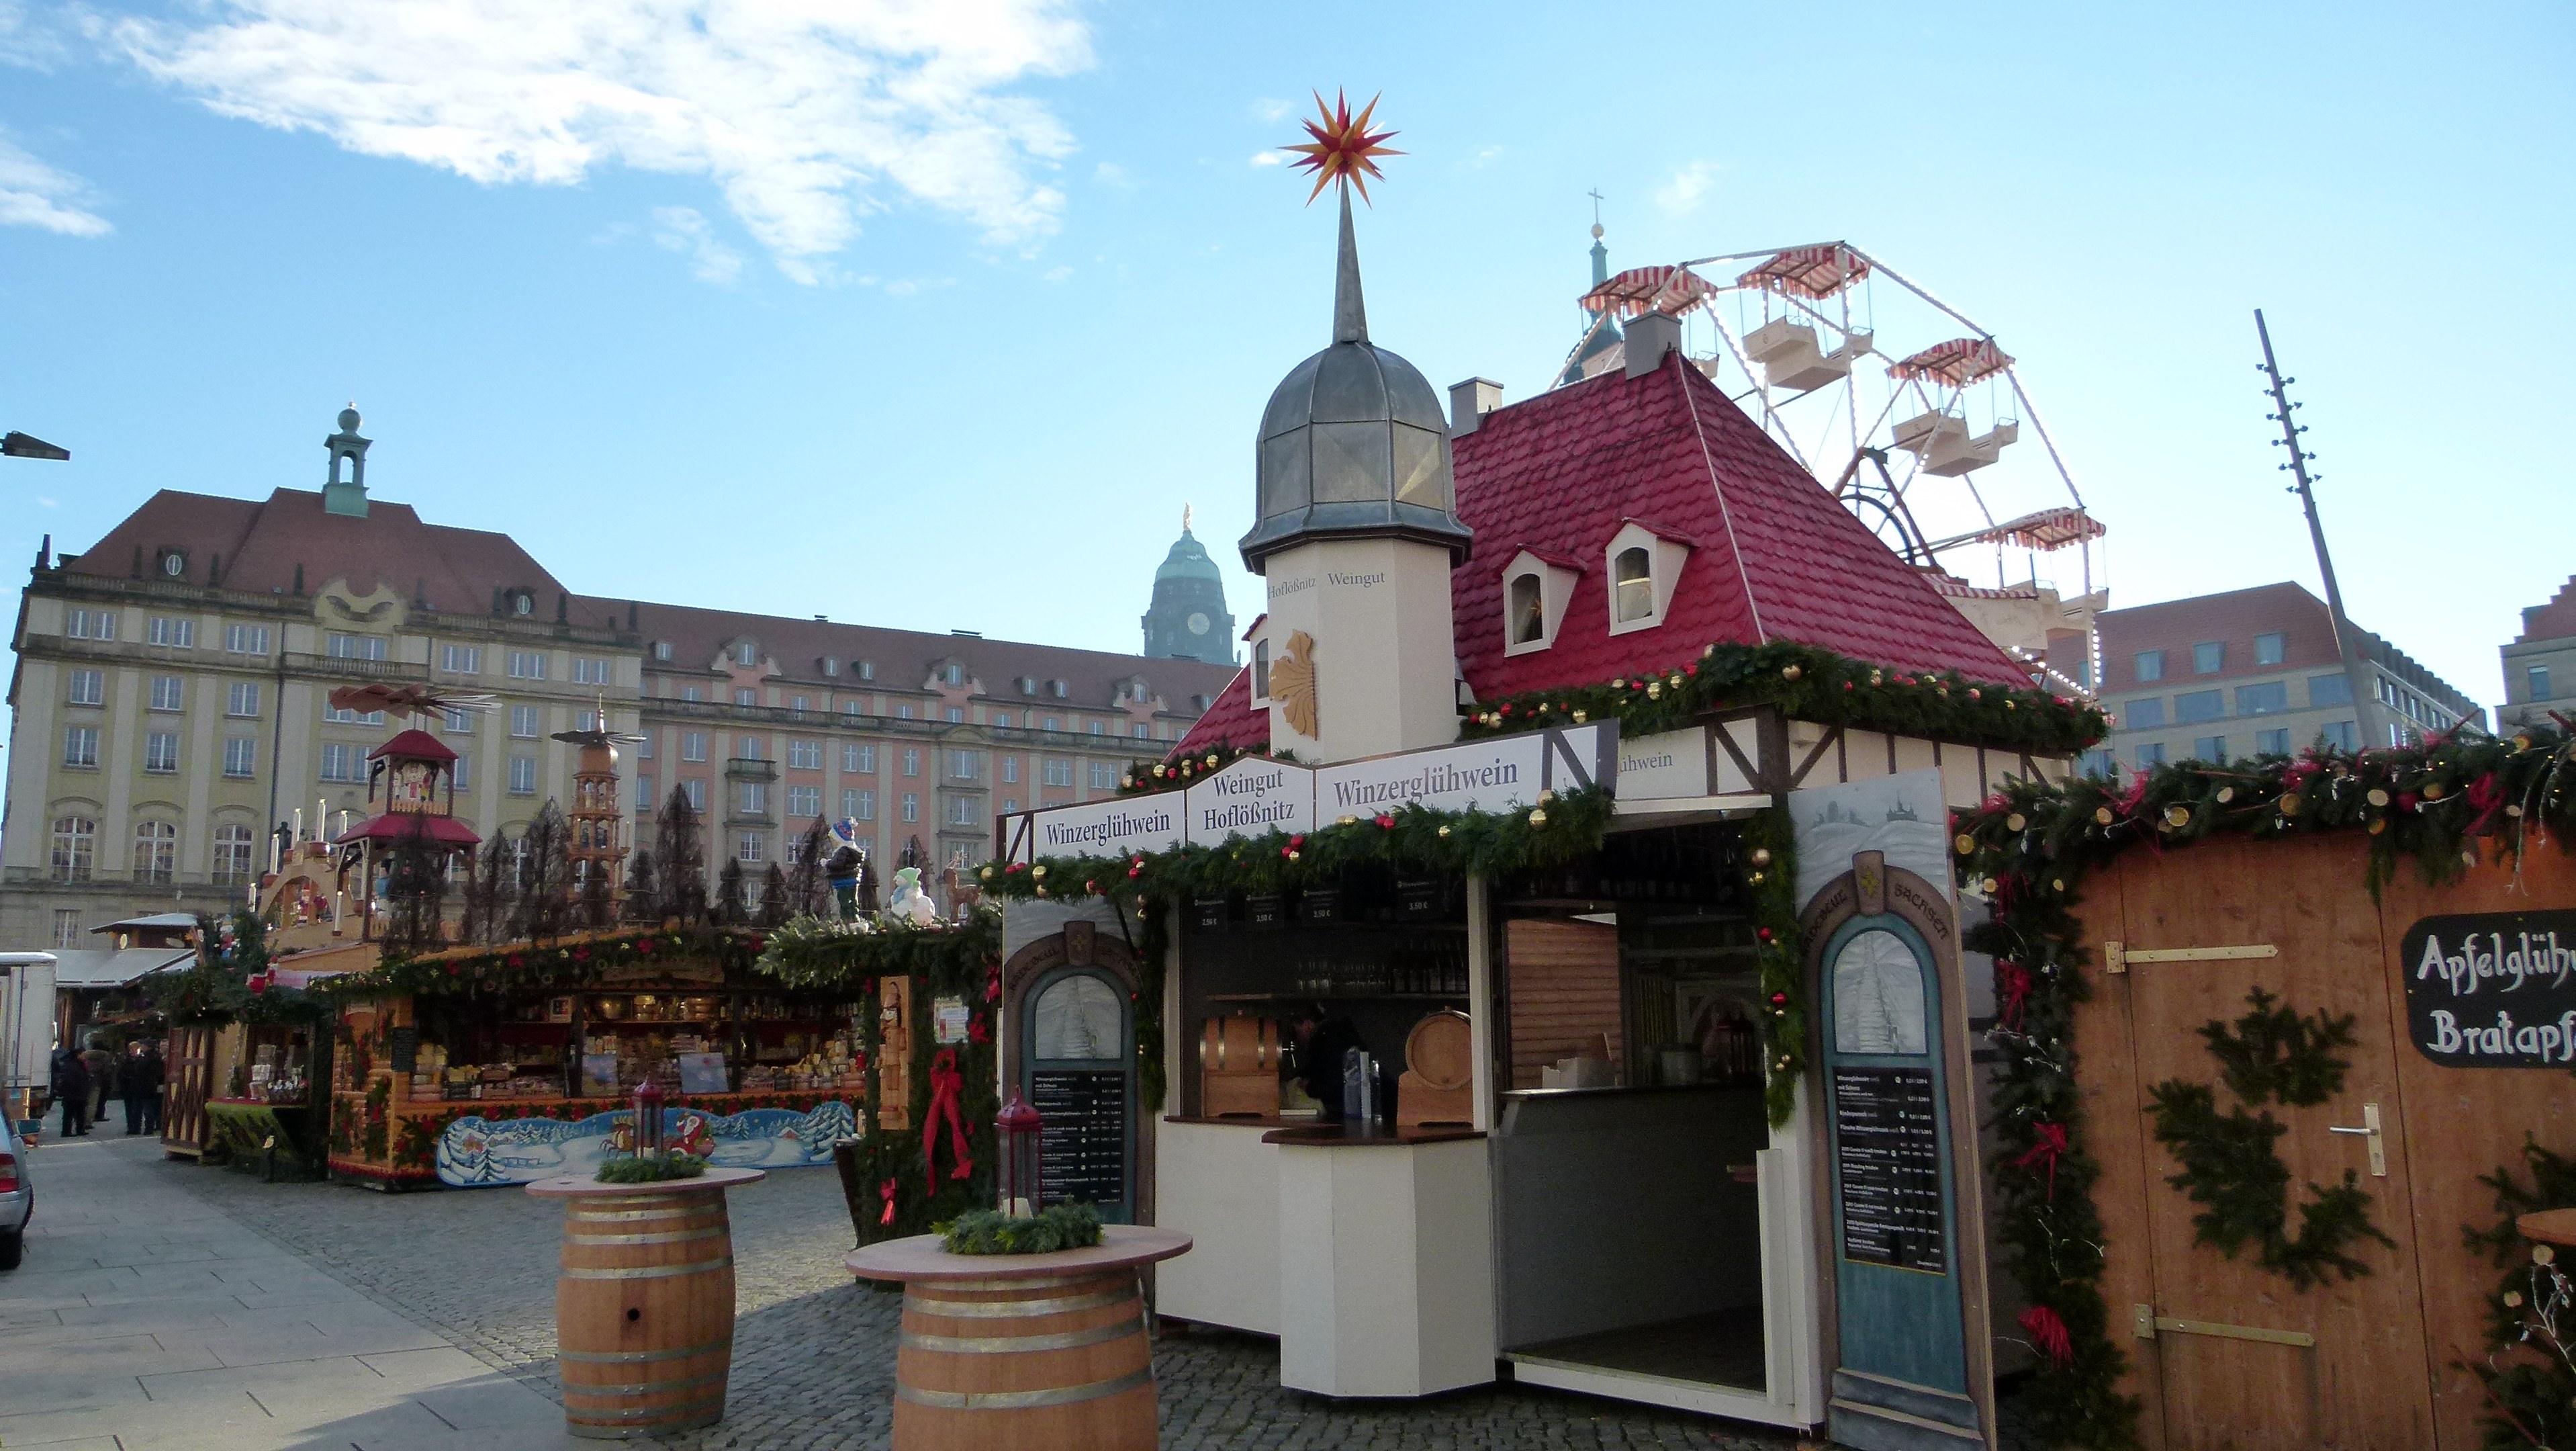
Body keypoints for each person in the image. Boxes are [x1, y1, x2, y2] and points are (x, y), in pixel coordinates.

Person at [123, 1040, 165, 1136]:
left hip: (146, 1086)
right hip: (142, 1086)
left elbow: (148, 1072)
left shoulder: (151, 1058)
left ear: (148, 1047)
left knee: (147, 1109)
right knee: (140, 1108)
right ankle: (138, 1128)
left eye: (142, 1045)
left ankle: (146, 1128)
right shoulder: (146, 1057)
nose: (141, 1047)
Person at [50, 1044, 91, 1137]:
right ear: (78, 1055)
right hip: (73, 1093)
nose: (85, 1057)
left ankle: (79, 1130)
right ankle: (68, 1131)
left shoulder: (78, 1064)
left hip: (77, 1093)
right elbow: (71, 1080)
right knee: (70, 1113)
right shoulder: (73, 1066)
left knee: (79, 1113)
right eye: (83, 1054)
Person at [81, 1037, 116, 1128]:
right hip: (98, 1081)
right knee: (93, 1103)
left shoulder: (85, 1055)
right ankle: (89, 1121)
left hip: (84, 1080)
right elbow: (107, 1070)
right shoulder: (106, 1056)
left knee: (83, 1101)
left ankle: (80, 1120)